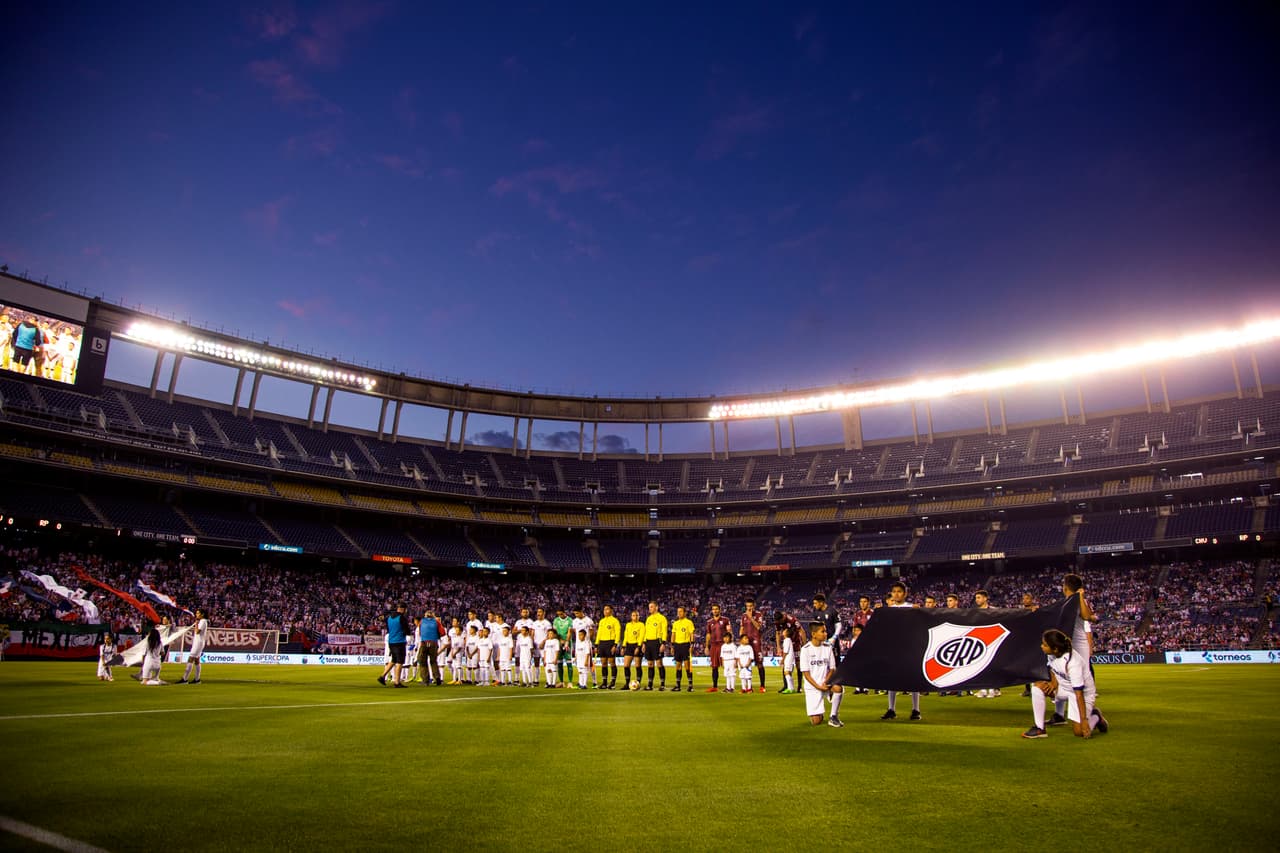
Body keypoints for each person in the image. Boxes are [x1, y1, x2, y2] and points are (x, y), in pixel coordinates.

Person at [1024, 629, 1107, 739]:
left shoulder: (1073, 663)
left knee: (1079, 732)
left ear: (1055, 648)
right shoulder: (1052, 653)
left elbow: (1079, 694)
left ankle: (1096, 716)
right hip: (1064, 688)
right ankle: (1040, 728)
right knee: (1038, 687)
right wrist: (1054, 684)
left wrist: (1084, 720)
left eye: (1045, 645)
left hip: (1083, 694)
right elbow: (1052, 668)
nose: (1041, 646)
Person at [882, 582, 921, 720]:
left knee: (913, 678)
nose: (896, 594)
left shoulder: (911, 607)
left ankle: (916, 709)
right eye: (894, 591)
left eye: (899, 591)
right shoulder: (888, 610)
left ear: (905, 593)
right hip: (893, 647)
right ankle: (891, 709)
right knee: (891, 679)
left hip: (909, 646)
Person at [801, 622, 843, 727]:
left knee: (838, 688)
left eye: (825, 631)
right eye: (823, 631)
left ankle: (833, 717)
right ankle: (820, 712)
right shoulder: (805, 650)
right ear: (814, 634)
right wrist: (818, 687)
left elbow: (832, 668)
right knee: (816, 722)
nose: (826, 633)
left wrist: (825, 682)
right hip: (813, 687)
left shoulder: (828, 648)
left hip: (826, 684)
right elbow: (806, 674)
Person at [973, 590, 1000, 698]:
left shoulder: (994, 611)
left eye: (979, 597)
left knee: (992, 665)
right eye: (976, 598)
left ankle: (993, 689)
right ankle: (983, 689)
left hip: (993, 640)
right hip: (980, 641)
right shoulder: (975, 612)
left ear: (985, 598)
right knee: (982, 665)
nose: (977, 600)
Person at [378, 604, 410, 687]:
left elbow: (389, 629)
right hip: (399, 641)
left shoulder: (389, 618)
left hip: (391, 641)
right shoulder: (401, 618)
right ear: (402, 609)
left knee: (393, 660)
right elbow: (407, 630)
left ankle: (382, 676)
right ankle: (397, 682)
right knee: (400, 662)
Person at [704, 604, 733, 692]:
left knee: (726, 665)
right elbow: (708, 634)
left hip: (723, 645)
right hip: (713, 645)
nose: (715, 611)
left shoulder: (725, 620)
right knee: (714, 666)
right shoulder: (709, 622)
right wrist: (706, 646)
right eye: (713, 609)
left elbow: (729, 631)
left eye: (716, 609)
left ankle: (729, 686)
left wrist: (730, 644)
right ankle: (715, 686)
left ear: (720, 610)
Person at [741, 599, 766, 692]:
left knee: (759, 663)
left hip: (756, 641)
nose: (749, 608)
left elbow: (759, 627)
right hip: (746, 642)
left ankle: (762, 685)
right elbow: (742, 628)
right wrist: (740, 639)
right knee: (745, 664)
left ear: (754, 606)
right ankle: (747, 687)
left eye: (750, 606)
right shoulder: (743, 616)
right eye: (747, 606)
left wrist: (751, 617)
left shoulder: (758, 615)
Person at [178, 607, 208, 684]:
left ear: (202, 614)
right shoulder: (203, 621)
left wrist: (197, 624)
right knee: (197, 661)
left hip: (198, 643)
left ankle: (185, 679)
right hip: (199, 642)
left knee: (190, 659)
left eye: (198, 613)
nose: (196, 614)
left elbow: (197, 631)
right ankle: (197, 679)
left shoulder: (203, 621)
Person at [643, 600, 668, 691]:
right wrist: (644, 643)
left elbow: (664, 632)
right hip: (648, 642)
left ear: (657, 607)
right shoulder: (648, 619)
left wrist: (663, 643)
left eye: (652, 607)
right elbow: (646, 632)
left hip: (657, 642)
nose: (650, 609)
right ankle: (650, 684)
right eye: (649, 607)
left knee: (659, 663)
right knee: (650, 664)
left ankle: (662, 684)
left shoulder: (662, 618)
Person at [669, 606, 695, 692]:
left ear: (684, 613)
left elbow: (692, 634)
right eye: (678, 612)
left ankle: (690, 685)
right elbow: (673, 635)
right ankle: (678, 686)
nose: (679, 613)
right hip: (677, 646)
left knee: (687, 666)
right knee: (678, 666)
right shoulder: (675, 623)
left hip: (685, 645)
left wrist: (691, 645)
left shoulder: (689, 622)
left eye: (680, 612)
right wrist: (672, 646)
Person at [595, 604, 621, 689]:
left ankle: (613, 682)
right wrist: (596, 644)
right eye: (604, 609)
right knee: (603, 663)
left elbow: (618, 633)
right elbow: (599, 633)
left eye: (607, 609)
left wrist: (615, 645)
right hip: (602, 643)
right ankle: (604, 682)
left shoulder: (615, 621)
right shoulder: (602, 621)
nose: (605, 611)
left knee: (612, 662)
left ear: (611, 610)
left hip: (610, 642)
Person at [812, 593, 842, 665]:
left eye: (815, 603)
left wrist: (834, 638)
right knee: (823, 663)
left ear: (821, 603)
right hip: (822, 642)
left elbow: (839, 625)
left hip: (832, 641)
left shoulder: (832, 611)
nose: (814, 605)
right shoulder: (816, 613)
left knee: (835, 662)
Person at [571, 606, 596, 688]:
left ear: (582, 611)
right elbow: (575, 631)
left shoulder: (588, 620)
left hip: (586, 644)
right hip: (578, 644)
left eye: (577, 613)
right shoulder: (574, 621)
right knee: (579, 664)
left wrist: (588, 641)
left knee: (590, 663)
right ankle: (580, 682)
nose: (576, 615)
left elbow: (592, 632)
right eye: (575, 614)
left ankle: (594, 681)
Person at [418, 609, 444, 686]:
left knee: (422, 661)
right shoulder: (436, 622)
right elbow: (442, 632)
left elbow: (420, 633)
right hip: (433, 642)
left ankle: (425, 680)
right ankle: (437, 677)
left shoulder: (422, 621)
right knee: (433, 661)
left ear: (425, 615)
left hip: (424, 642)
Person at [622, 609, 645, 689]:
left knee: (637, 665)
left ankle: (638, 683)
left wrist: (638, 647)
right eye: (633, 615)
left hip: (636, 645)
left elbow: (641, 636)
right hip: (629, 645)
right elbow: (626, 636)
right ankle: (627, 683)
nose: (635, 617)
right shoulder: (628, 625)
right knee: (626, 665)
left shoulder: (641, 625)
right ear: (631, 617)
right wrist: (623, 646)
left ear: (639, 616)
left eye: (637, 615)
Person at [553, 608, 574, 686]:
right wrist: (560, 640)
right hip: (558, 643)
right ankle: (561, 682)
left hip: (568, 643)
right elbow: (554, 632)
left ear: (565, 613)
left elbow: (569, 632)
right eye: (558, 614)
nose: (560, 616)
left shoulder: (570, 620)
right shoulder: (556, 620)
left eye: (561, 614)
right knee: (559, 663)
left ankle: (570, 682)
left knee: (569, 662)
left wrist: (567, 642)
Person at [780, 626, 797, 693]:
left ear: (786, 633)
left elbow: (785, 652)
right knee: (788, 673)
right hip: (790, 659)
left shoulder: (786, 640)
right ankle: (792, 688)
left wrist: (782, 660)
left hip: (788, 659)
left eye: (785, 630)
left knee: (786, 673)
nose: (783, 631)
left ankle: (790, 688)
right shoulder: (789, 640)